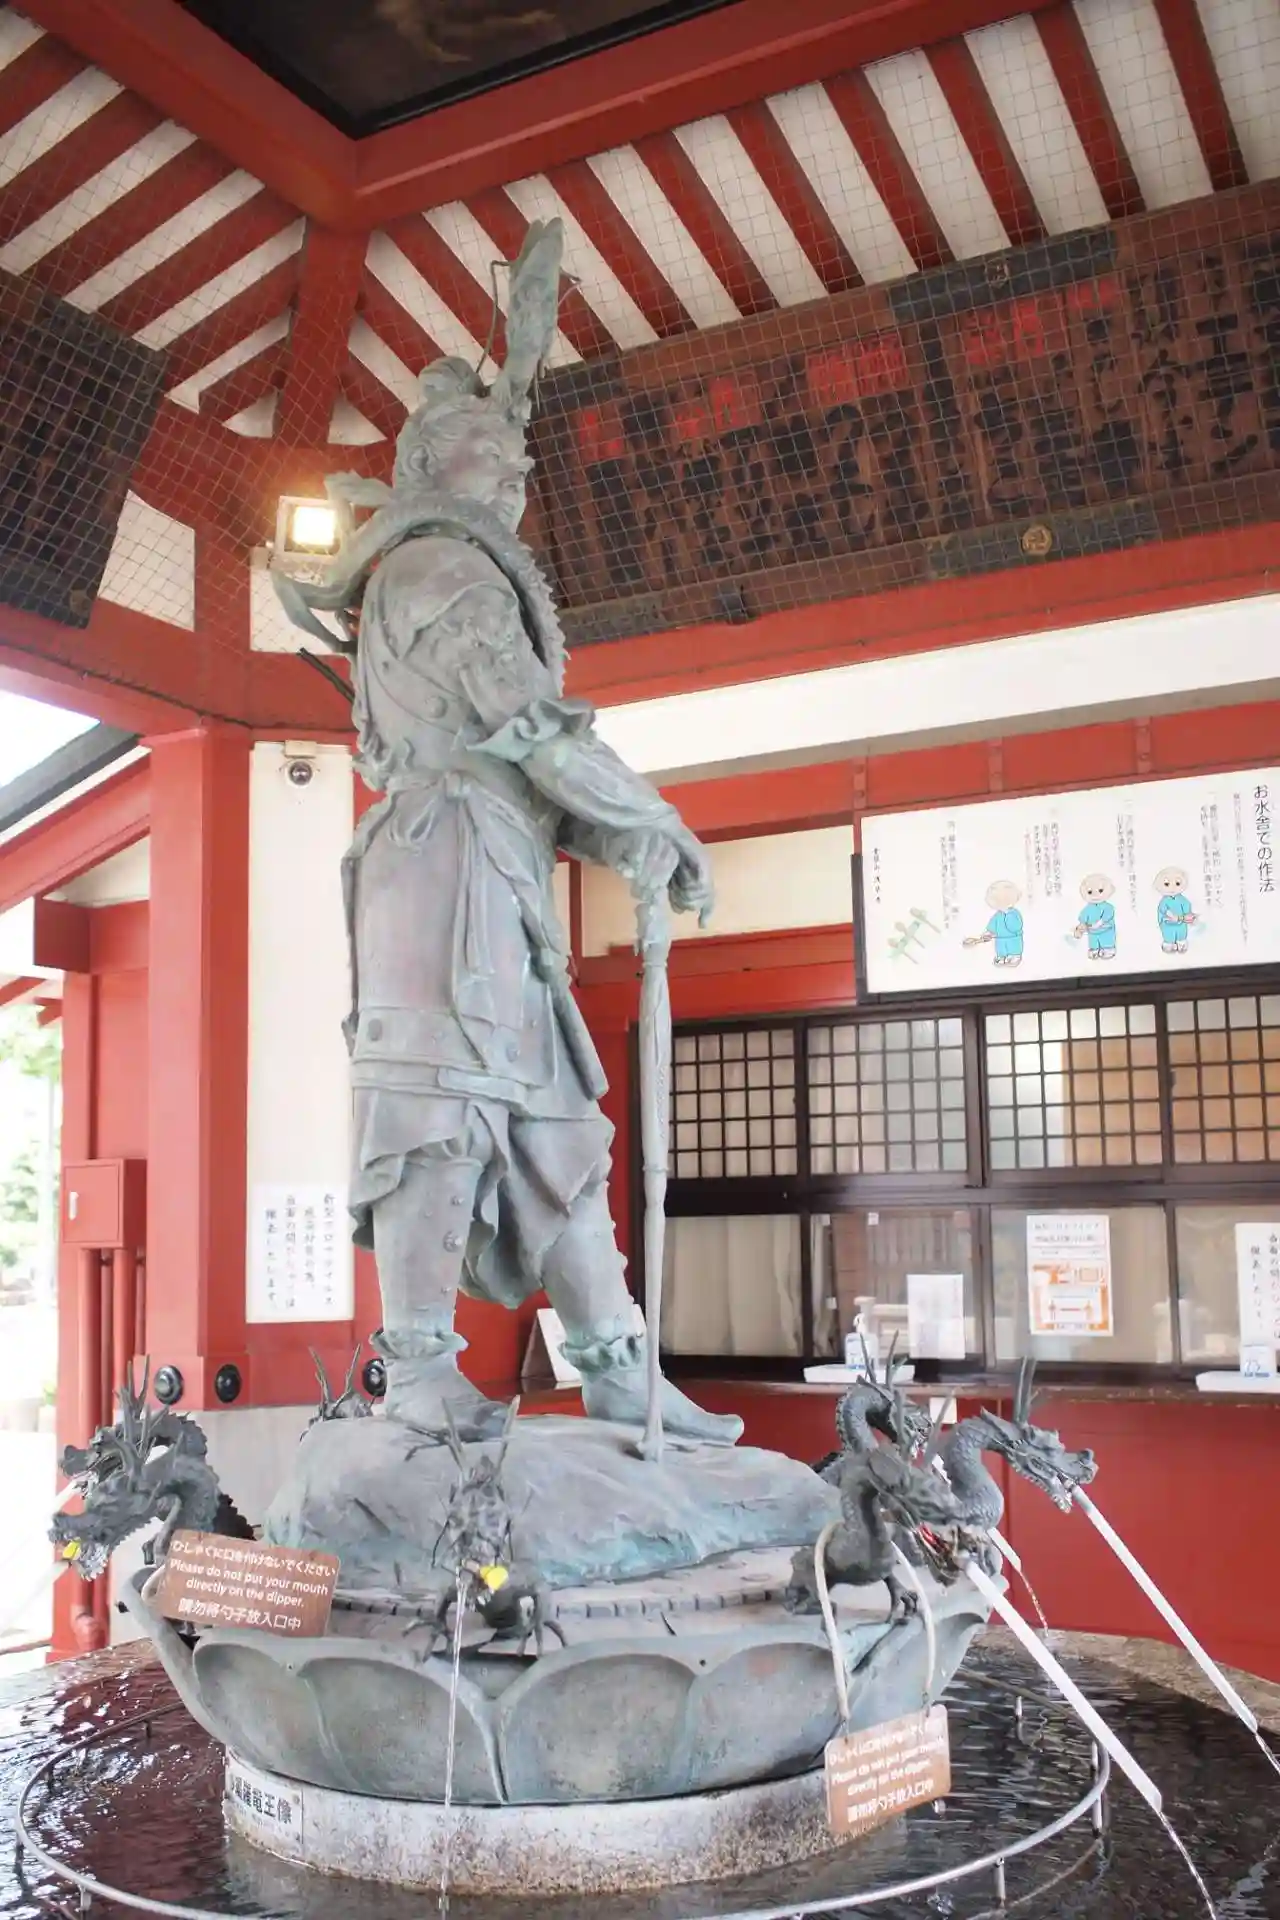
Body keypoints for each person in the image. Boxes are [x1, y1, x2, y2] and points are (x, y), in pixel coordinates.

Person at [274, 222, 741, 1449]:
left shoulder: (455, 562)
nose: (514, 471)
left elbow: (529, 762)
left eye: (515, 455)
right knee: (435, 1103)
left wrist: (623, 839)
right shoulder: (436, 570)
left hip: (498, 867)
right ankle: (419, 1363)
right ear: (430, 463)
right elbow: (530, 726)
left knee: (553, 1119)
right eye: (489, 449)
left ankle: (617, 1362)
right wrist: (652, 817)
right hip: (442, 867)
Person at [963, 879, 1024, 967]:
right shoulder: (998, 915)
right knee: (1001, 949)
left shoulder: (1014, 914)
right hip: (1000, 939)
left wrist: (1008, 916)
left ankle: (1014, 956)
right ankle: (1001, 957)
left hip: (1012, 939)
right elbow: (992, 925)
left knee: (1013, 949)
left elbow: (1015, 927)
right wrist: (989, 933)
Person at [1073, 874, 1117, 961]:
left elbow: (1108, 915)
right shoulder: (1088, 909)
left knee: (1106, 940)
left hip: (1106, 930)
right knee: (1093, 941)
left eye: (1100, 891)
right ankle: (1094, 949)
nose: (1095, 895)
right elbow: (1083, 919)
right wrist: (1080, 928)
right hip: (1093, 932)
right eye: (1090, 892)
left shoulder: (1108, 907)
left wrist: (1100, 922)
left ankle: (1108, 948)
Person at [1154, 866, 1196, 954]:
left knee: (1181, 935)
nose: (1172, 888)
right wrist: (1164, 921)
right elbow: (1161, 913)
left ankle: (1181, 943)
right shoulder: (1164, 902)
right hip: (1168, 925)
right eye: (1167, 884)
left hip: (1181, 925)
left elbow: (1188, 913)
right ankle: (1169, 943)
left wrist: (1180, 918)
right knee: (1168, 937)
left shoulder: (1183, 900)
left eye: (1177, 883)